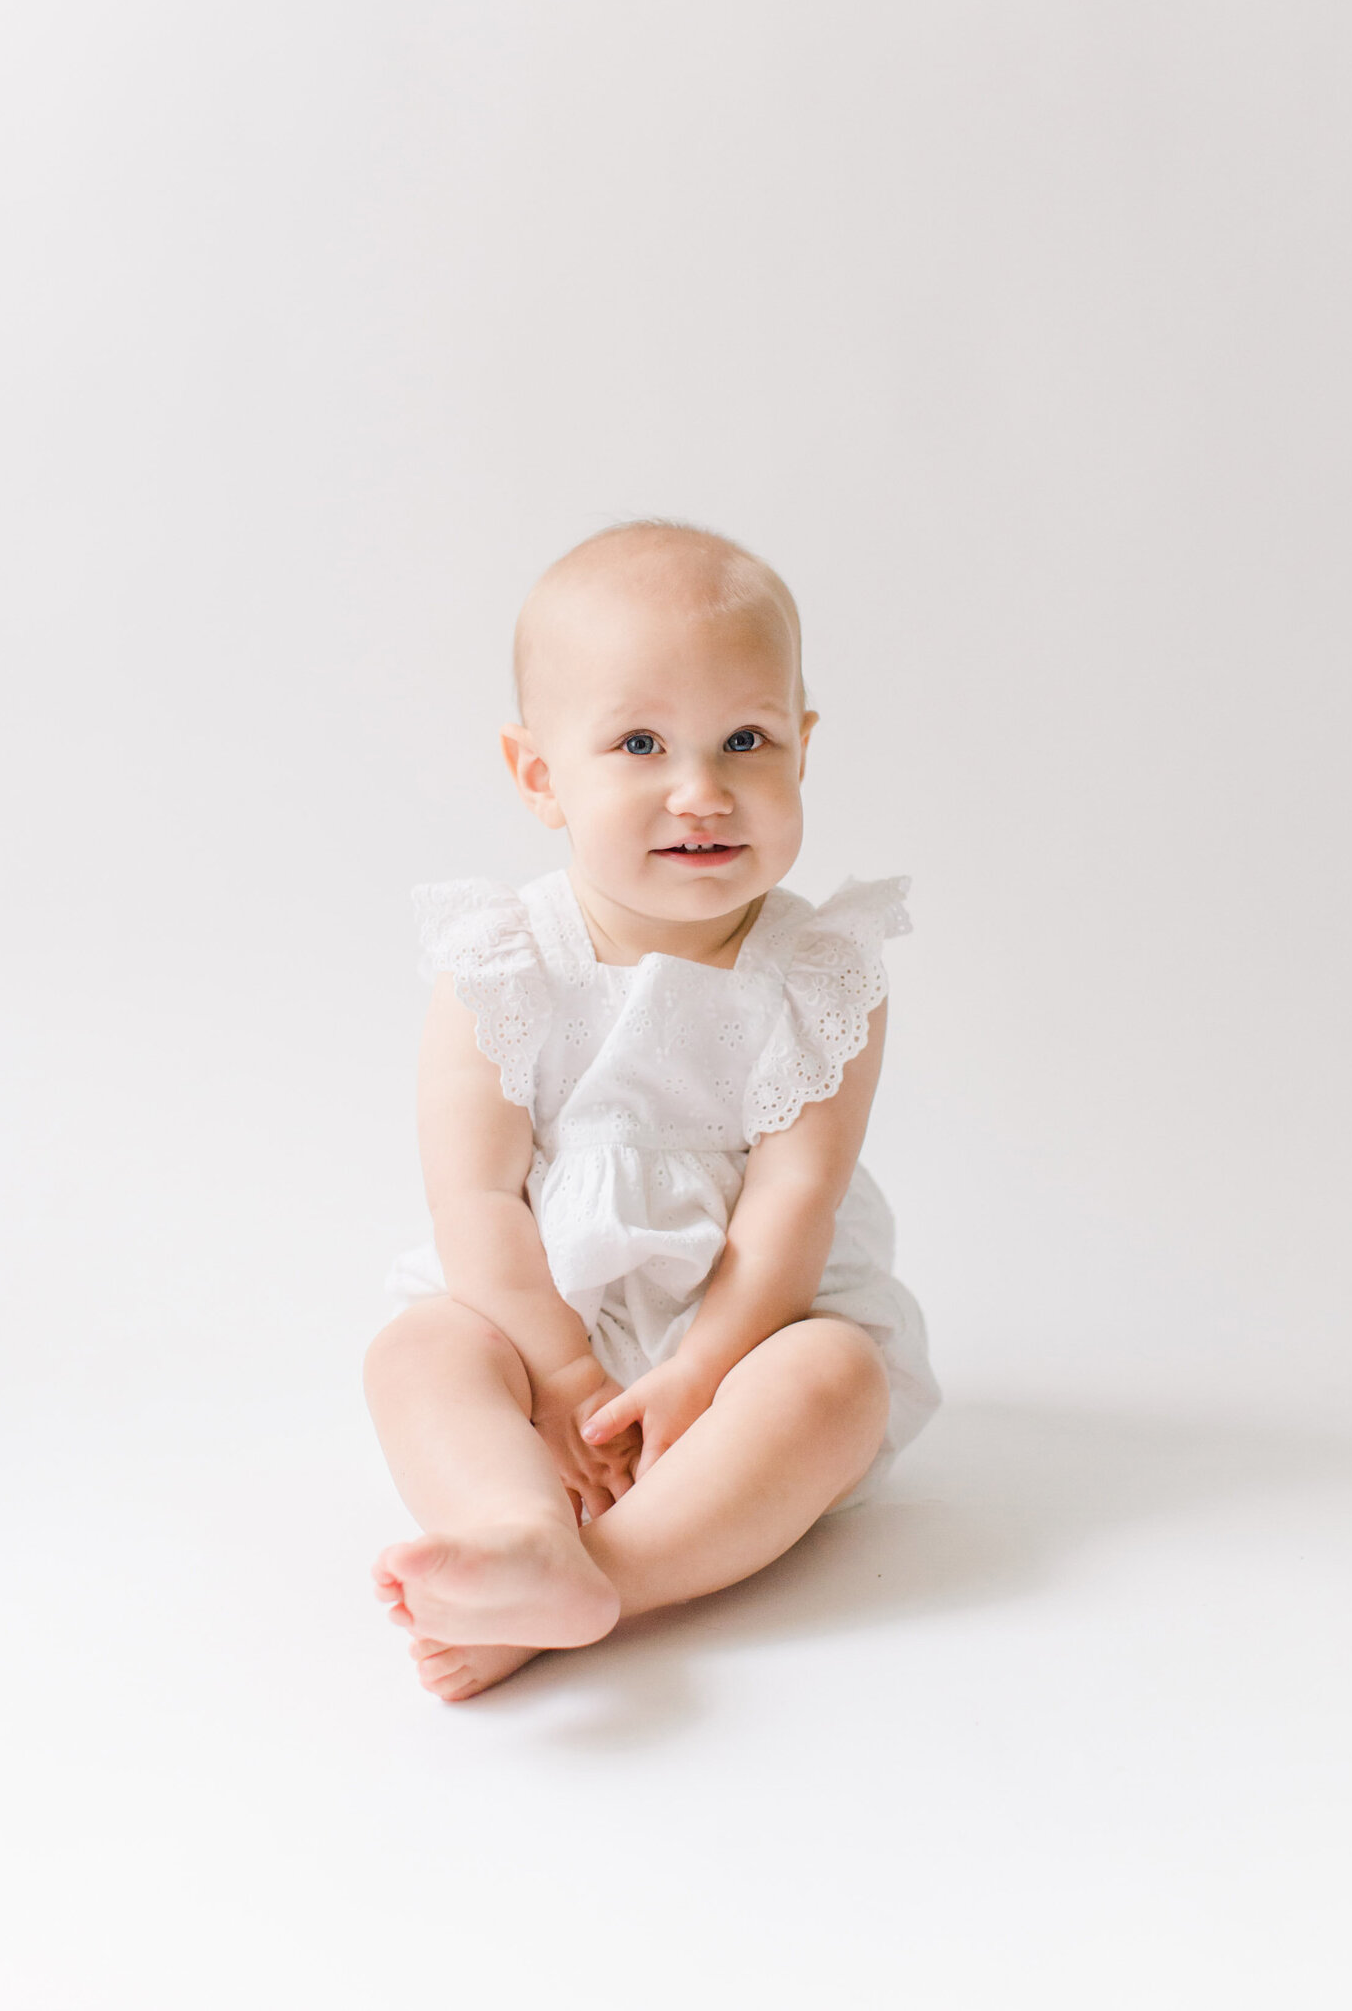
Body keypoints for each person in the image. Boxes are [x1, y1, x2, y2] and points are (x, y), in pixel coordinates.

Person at [365, 520, 939, 1700]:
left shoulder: (821, 973)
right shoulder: (504, 961)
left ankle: (602, 1581)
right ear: (539, 776)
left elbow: (795, 1200)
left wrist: (703, 1371)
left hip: (742, 1342)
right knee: (418, 1351)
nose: (701, 791)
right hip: (539, 1330)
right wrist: (567, 1379)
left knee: (832, 1381)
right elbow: (470, 1196)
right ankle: (518, 1521)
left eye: (746, 740)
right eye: (638, 743)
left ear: (802, 747)